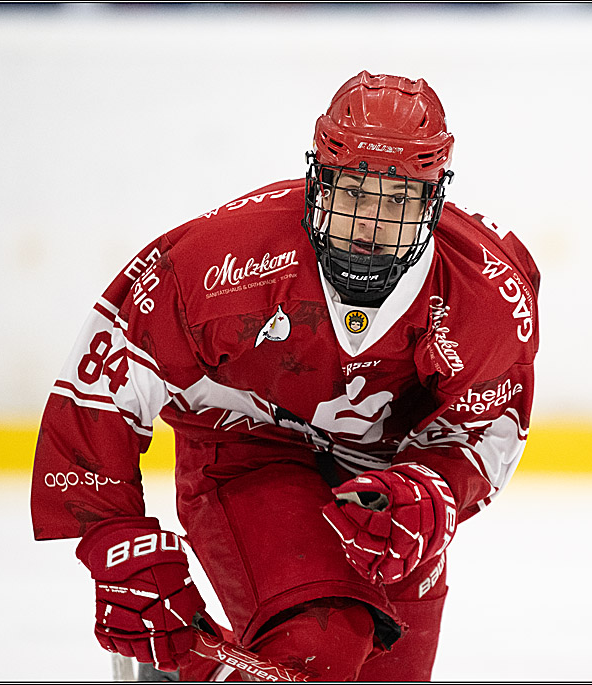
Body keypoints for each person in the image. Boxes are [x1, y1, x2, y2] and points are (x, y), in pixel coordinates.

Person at [31, 70, 540, 682]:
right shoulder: (224, 260)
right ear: (319, 181)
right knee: (322, 643)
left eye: (398, 200)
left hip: (386, 486)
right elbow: (102, 383)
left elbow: (487, 426)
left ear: (434, 200)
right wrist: (115, 539)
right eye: (355, 193)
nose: (371, 223)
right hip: (248, 451)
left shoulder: (485, 294)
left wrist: (437, 491)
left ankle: (188, 673)